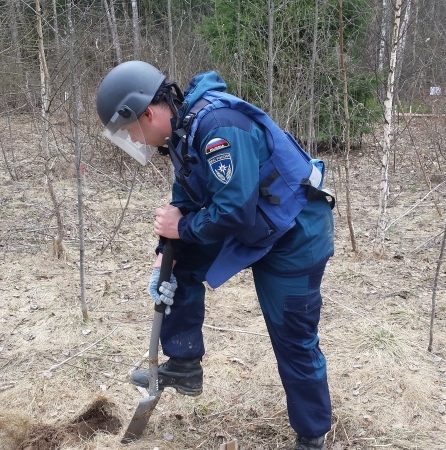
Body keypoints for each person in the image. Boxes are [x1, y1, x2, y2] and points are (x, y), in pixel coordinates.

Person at [96, 60, 335, 450]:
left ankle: (311, 435)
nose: (135, 139)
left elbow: (234, 208)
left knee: (293, 340)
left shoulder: (219, 128)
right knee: (180, 261)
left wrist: (183, 229)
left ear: (149, 112)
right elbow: (185, 201)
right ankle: (184, 364)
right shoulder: (182, 134)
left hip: (295, 231)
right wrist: (164, 256)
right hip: (253, 222)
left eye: (131, 130)